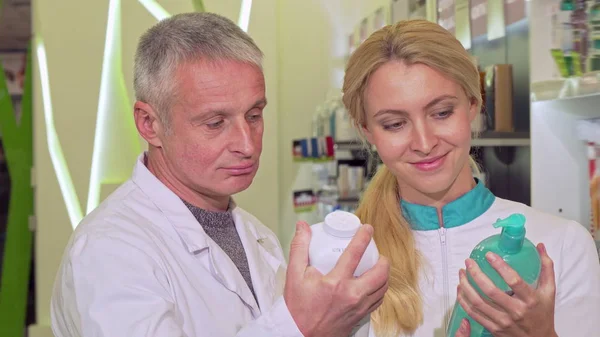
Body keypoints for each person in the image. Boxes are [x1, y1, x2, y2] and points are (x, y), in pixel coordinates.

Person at [50, 12, 390, 337]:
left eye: (254, 115)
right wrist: (300, 327)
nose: (247, 144)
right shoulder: (109, 251)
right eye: (215, 123)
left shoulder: (255, 235)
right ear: (149, 124)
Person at [342, 19, 600, 337]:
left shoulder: (563, 245)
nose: (424, 143)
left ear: (473, 104)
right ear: (367, 131)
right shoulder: (344, 262)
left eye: (441, 113)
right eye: (395, 124)